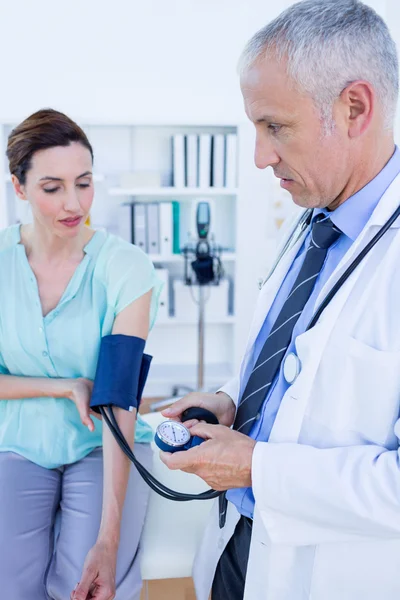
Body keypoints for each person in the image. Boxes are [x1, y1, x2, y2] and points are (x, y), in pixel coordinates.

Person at [160, 1, 400, 599]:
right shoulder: (312, 221)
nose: (260, 156)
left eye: (276, 127)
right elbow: (299, 368)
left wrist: (256, 468)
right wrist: (228, 401)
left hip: (327, 572)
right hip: (238, 544)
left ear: (354, 108)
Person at [0, 108, 162, 600]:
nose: (75, 204)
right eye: (52, 188)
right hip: (18, 441)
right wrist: (63, 386)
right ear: (20, 187)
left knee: (86, 585)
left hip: (102, 444)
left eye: (84, 183)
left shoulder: (126, 267)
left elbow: (118, 393)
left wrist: (107, 540)